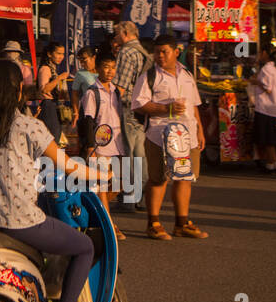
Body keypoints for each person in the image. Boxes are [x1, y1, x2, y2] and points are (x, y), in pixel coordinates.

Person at [0, 59, 104, 302]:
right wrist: (104, 175)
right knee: (84, 246)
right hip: (19, 221)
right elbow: (67, 165)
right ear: (16, 92)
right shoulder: (27, 126)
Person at [131, 34, 207, 239]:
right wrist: (166, 108)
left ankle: (182, 222)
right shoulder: (149, 76)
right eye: (157, 52)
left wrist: (199, 130)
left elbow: (194, 105)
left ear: (176, 52)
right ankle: (153, 223)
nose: (160, 56)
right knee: (158, 178)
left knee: (185, 177)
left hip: (188, 133)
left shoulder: (187, 74)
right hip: (159, 133)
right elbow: (138, 104)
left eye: (164, 51)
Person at [78, 53, 127, 238]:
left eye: (113, 67)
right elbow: (88, 120)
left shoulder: (115, 91)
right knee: (102, 185)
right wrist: (91, 147)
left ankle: (94, 214)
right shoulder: (92, 93)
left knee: (118, 184)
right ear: (97, 69)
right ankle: (110, 226)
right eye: (106, 67)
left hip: (117, 145)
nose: (110, 71)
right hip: (100, 147)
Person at [111, 20, 150, 209]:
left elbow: (120, 86)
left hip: (127, 108)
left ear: (126, 33)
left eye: (117, 34)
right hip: (142, 109)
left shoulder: (126, 52)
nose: (116, 38)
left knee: (128, 153)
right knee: (140, 154)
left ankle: (129, 198)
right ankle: (140, 197)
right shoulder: (143, 51)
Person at [247, 45, 276, 173]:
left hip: (267, 108)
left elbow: (268, 87)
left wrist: (256, 82)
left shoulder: (268, 68)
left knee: (268, 138)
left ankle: (272, 163)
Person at [35, 43, 71, 141]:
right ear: (49, 54)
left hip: (53, 105)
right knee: (52, 138)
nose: (61, 57)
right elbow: (44, 89)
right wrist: (59, 78)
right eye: (58, 53)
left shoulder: (53, 68)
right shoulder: (45, 68)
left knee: (55, 136)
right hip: (48, 105)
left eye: (62, 54)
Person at [69, 47, 98, 124]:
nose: (82, 64)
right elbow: (75, 94)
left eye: (84, 61)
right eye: (80, 62)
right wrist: (76, 112)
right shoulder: (80, 74)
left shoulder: (103, 72)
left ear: (94, 58)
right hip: (88, 110)